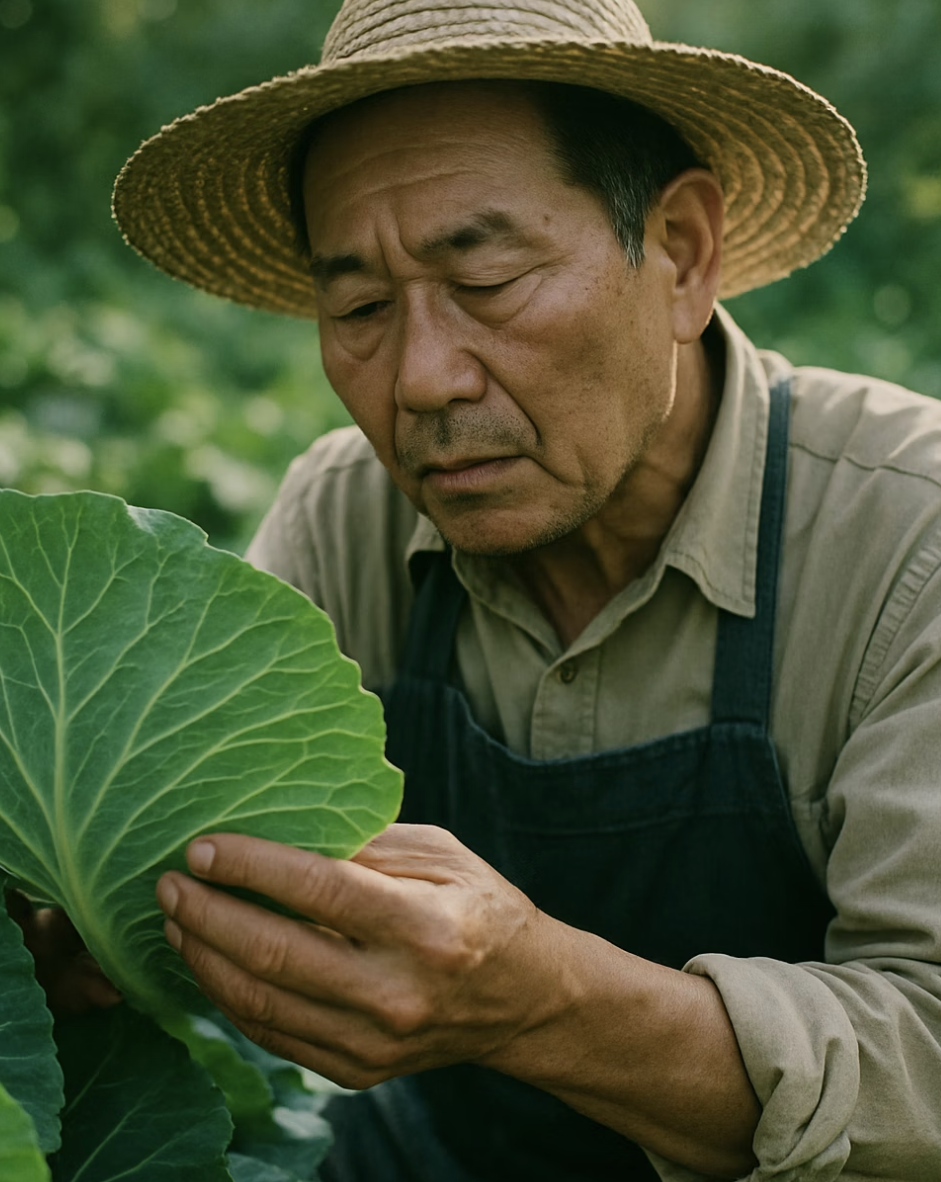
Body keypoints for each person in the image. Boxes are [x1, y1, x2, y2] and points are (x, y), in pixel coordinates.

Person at [113, 1, 941, 1179]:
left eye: (487, 278)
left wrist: (540, 1001)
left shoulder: (911, 539)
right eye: (355, 309)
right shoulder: (344, 514)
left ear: (682, 253)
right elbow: (194, 851)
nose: (421, 380)